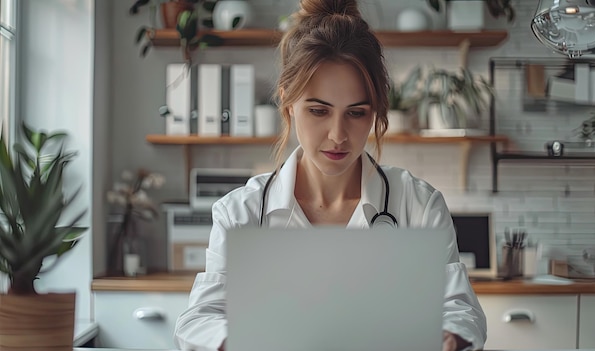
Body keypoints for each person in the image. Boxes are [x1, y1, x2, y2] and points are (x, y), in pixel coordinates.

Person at [174, 0, 487, 350]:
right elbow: (200, 319)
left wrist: (450, 337)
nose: (338, 135)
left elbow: (459, 309)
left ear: (375, 112)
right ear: (287, 103)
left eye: (355, 113)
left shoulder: (417, 204)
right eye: (318, 110)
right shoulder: (241, 213)